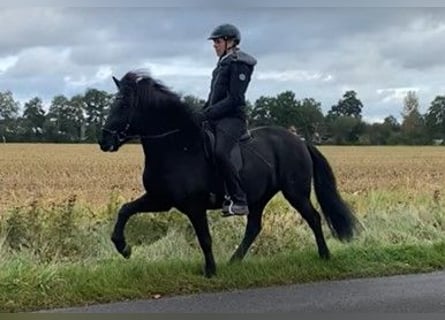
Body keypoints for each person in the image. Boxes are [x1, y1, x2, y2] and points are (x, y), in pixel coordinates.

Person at [195, 23, 257, 217]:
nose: (215, 45)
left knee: (221, 152)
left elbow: (235, 99)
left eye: (218, 41)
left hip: (232, 119)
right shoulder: (223, 63)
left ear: (230, 42)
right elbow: (214, 95)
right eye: (214, 41)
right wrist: (199, 114)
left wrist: (209, 113)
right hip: (216, 117)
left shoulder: (240, 63)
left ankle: (239, 200)